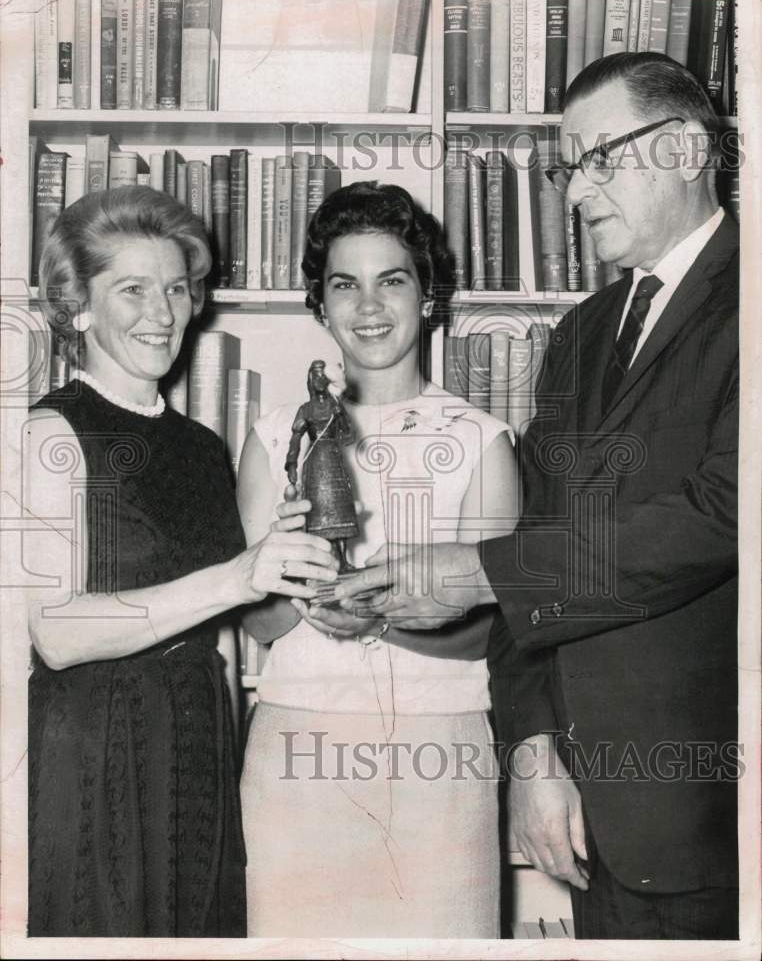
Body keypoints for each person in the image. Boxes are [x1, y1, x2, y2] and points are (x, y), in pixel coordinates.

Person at [339, 53, 739, 939]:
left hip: (718, 816)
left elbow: (722, 517)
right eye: (568, 167)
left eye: (600, 159)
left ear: (683, 149)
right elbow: (536, 536)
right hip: (592, 819)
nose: (573, 192)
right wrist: (530, 750)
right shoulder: (582, 334)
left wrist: (481, 573)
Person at [24, 186, 338, 937]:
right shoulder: (50, 433)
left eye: (174, 287)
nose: (161, 312)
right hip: (97, 745)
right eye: (131, 289)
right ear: (79, 307)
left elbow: (223, 634)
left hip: (197, 743)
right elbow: (55, 631)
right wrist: (238, 575)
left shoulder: (201, 447)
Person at [236, 181, 519, 937]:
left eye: (392, 280)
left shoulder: (480, 439)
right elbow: (258, 627)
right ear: (320, 304)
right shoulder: (274, 436)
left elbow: (502, 627)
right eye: (344, 285)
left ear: (428, 296)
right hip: (296, 743)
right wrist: (286, 574)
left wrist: (375, 620)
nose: (369, 306)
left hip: (441, 745)